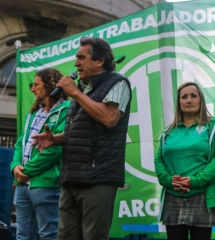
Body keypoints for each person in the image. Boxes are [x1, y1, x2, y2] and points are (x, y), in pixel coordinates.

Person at [31, 36, 132, 240]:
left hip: (98, 178)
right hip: (71, 178)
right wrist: (56, 139)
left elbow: (110, 118)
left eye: (81, 58)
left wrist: (75, 93)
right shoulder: (83, 91)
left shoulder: (118, 83)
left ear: (99, 61)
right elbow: (83, 131)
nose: (76, 63)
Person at [154, 82, 215, 240]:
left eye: (193, 96)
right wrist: (168, 180)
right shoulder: (168, 131)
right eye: (184, 97)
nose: (189, 100)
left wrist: (195, 181)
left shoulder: (213, 126)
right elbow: (159, 159)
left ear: (201, 100)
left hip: (202, 196)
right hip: (172, 196)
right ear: (179, 102)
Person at [10, 67, 69, 240]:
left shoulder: (65, 111)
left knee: (48, 234)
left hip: (46, 185)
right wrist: (15, 167)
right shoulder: (33, 113)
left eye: (36, 85)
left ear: (51, 87)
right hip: (22, 185)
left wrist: (26, 172)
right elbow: (20, 143)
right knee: (22, 235)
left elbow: (55, 150)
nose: (33, 89)